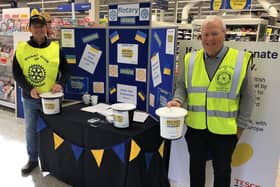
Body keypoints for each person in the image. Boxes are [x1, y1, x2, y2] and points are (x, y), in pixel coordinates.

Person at [167, 16, 254, 187]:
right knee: (195, 169)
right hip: (195, 129)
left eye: (214, 33)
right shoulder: (190, 60)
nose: (209, 39)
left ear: (224, 34)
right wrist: (177, 101)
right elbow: (181, 87)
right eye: (205, 35)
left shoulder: (240, 60)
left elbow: (248, 97)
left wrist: (239, 129)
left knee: (222, 172)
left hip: (225, 132)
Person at [12, 14, 70, 175]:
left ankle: (54, 160)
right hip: (30, 98)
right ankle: (32, 159)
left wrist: (60, 83)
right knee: (31, 129)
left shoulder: (55, 48)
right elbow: (17, 74)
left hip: (52, 99)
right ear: (29, 28)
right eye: (35, 26)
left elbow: (66, 71)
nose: (38, 29)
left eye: (41, 26)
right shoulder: (22, 48)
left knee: (53, 129)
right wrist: (29, 88)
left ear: (46, 28)